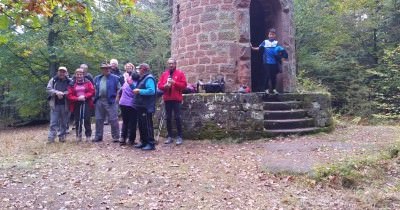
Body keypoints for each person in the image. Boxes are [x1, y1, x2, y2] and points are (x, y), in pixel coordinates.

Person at [157, 58, 187, 145]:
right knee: (168, 118)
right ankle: (169, 136)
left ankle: (180, 136)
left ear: (175, 64)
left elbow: (184, 85)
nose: (171, 65)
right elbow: (159, 85)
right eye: (169, 64)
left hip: (176, 99)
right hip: (167, 99)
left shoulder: (180, 73)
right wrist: (164, 86)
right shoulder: (164, 74)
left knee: (177, 117)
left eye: (172, 63)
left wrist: (174, 83)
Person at [251, 28, 288, 94]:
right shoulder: (265, 42)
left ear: (275, 35)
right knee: (267, 75)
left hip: (274, 62)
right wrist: (252, 47)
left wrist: (283, 58)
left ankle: (274, 89)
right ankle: (266, 89)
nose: (271, 36)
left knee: (273, 76)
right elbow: (258, 48)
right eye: (270, 34)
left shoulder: (276, 43)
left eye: (273, 34)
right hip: (266, 62)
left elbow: (283, 51)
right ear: (268, 35)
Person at [93, 62, 121, 142]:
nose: (107, 69)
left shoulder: (115, 78)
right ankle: (98, 136)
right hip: (99, 100)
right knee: (98, 119)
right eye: (105, 68)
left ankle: (116, 137)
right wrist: (94, 97)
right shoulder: (97, 78)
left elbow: (119, 88)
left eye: (108, 68)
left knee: (113, 119)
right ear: (102, 70)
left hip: (111, 100)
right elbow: (95, 88)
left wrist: (117, 97)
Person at [133, 63, 157, 151]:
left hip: (146, 106)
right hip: (141, 105)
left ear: (143, 69)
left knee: (147, 125)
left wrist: (139, 90)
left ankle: (150, 144)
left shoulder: (149, 78)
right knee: (141, 125)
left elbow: (152, 91)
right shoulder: (142, 78)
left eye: (139, 69)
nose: (138, 70)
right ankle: (143, 142)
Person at [67, 68, 95, 142]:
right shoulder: (72, 83)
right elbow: (69, 95)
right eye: (78, 74)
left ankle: (88, 136)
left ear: (83, 75)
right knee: (77, 120)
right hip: (76, 103)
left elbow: (92, 91)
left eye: (81, 74)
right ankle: (78, 135)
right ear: (75, 75)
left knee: (87, 119)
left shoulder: (88, 82)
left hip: (86, 102)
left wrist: (85, 96)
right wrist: (77, 98)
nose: (79, 76)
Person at [46, 66, 71, 143]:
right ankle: (51, 138)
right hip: (55, 104)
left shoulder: (70, 81)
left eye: (63, 72)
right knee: (53, 122)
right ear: (58, 72)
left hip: (66, 104)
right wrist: (56, 92)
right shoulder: (53, 80)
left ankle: (62, 137)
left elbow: (72, 90)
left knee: (64, 122)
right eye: (60, 71)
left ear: (66, 73)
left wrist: (63, 93)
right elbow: (48, 89)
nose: (62, 73)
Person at [117, 63, 140, 145]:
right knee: (132, 122)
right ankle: (131, 140)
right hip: (131, 104)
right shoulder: (137, 83)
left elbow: (121, 90)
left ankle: (122, 138)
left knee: (125, 121)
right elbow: (137, 93)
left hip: (122, 103)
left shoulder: (127, 81)